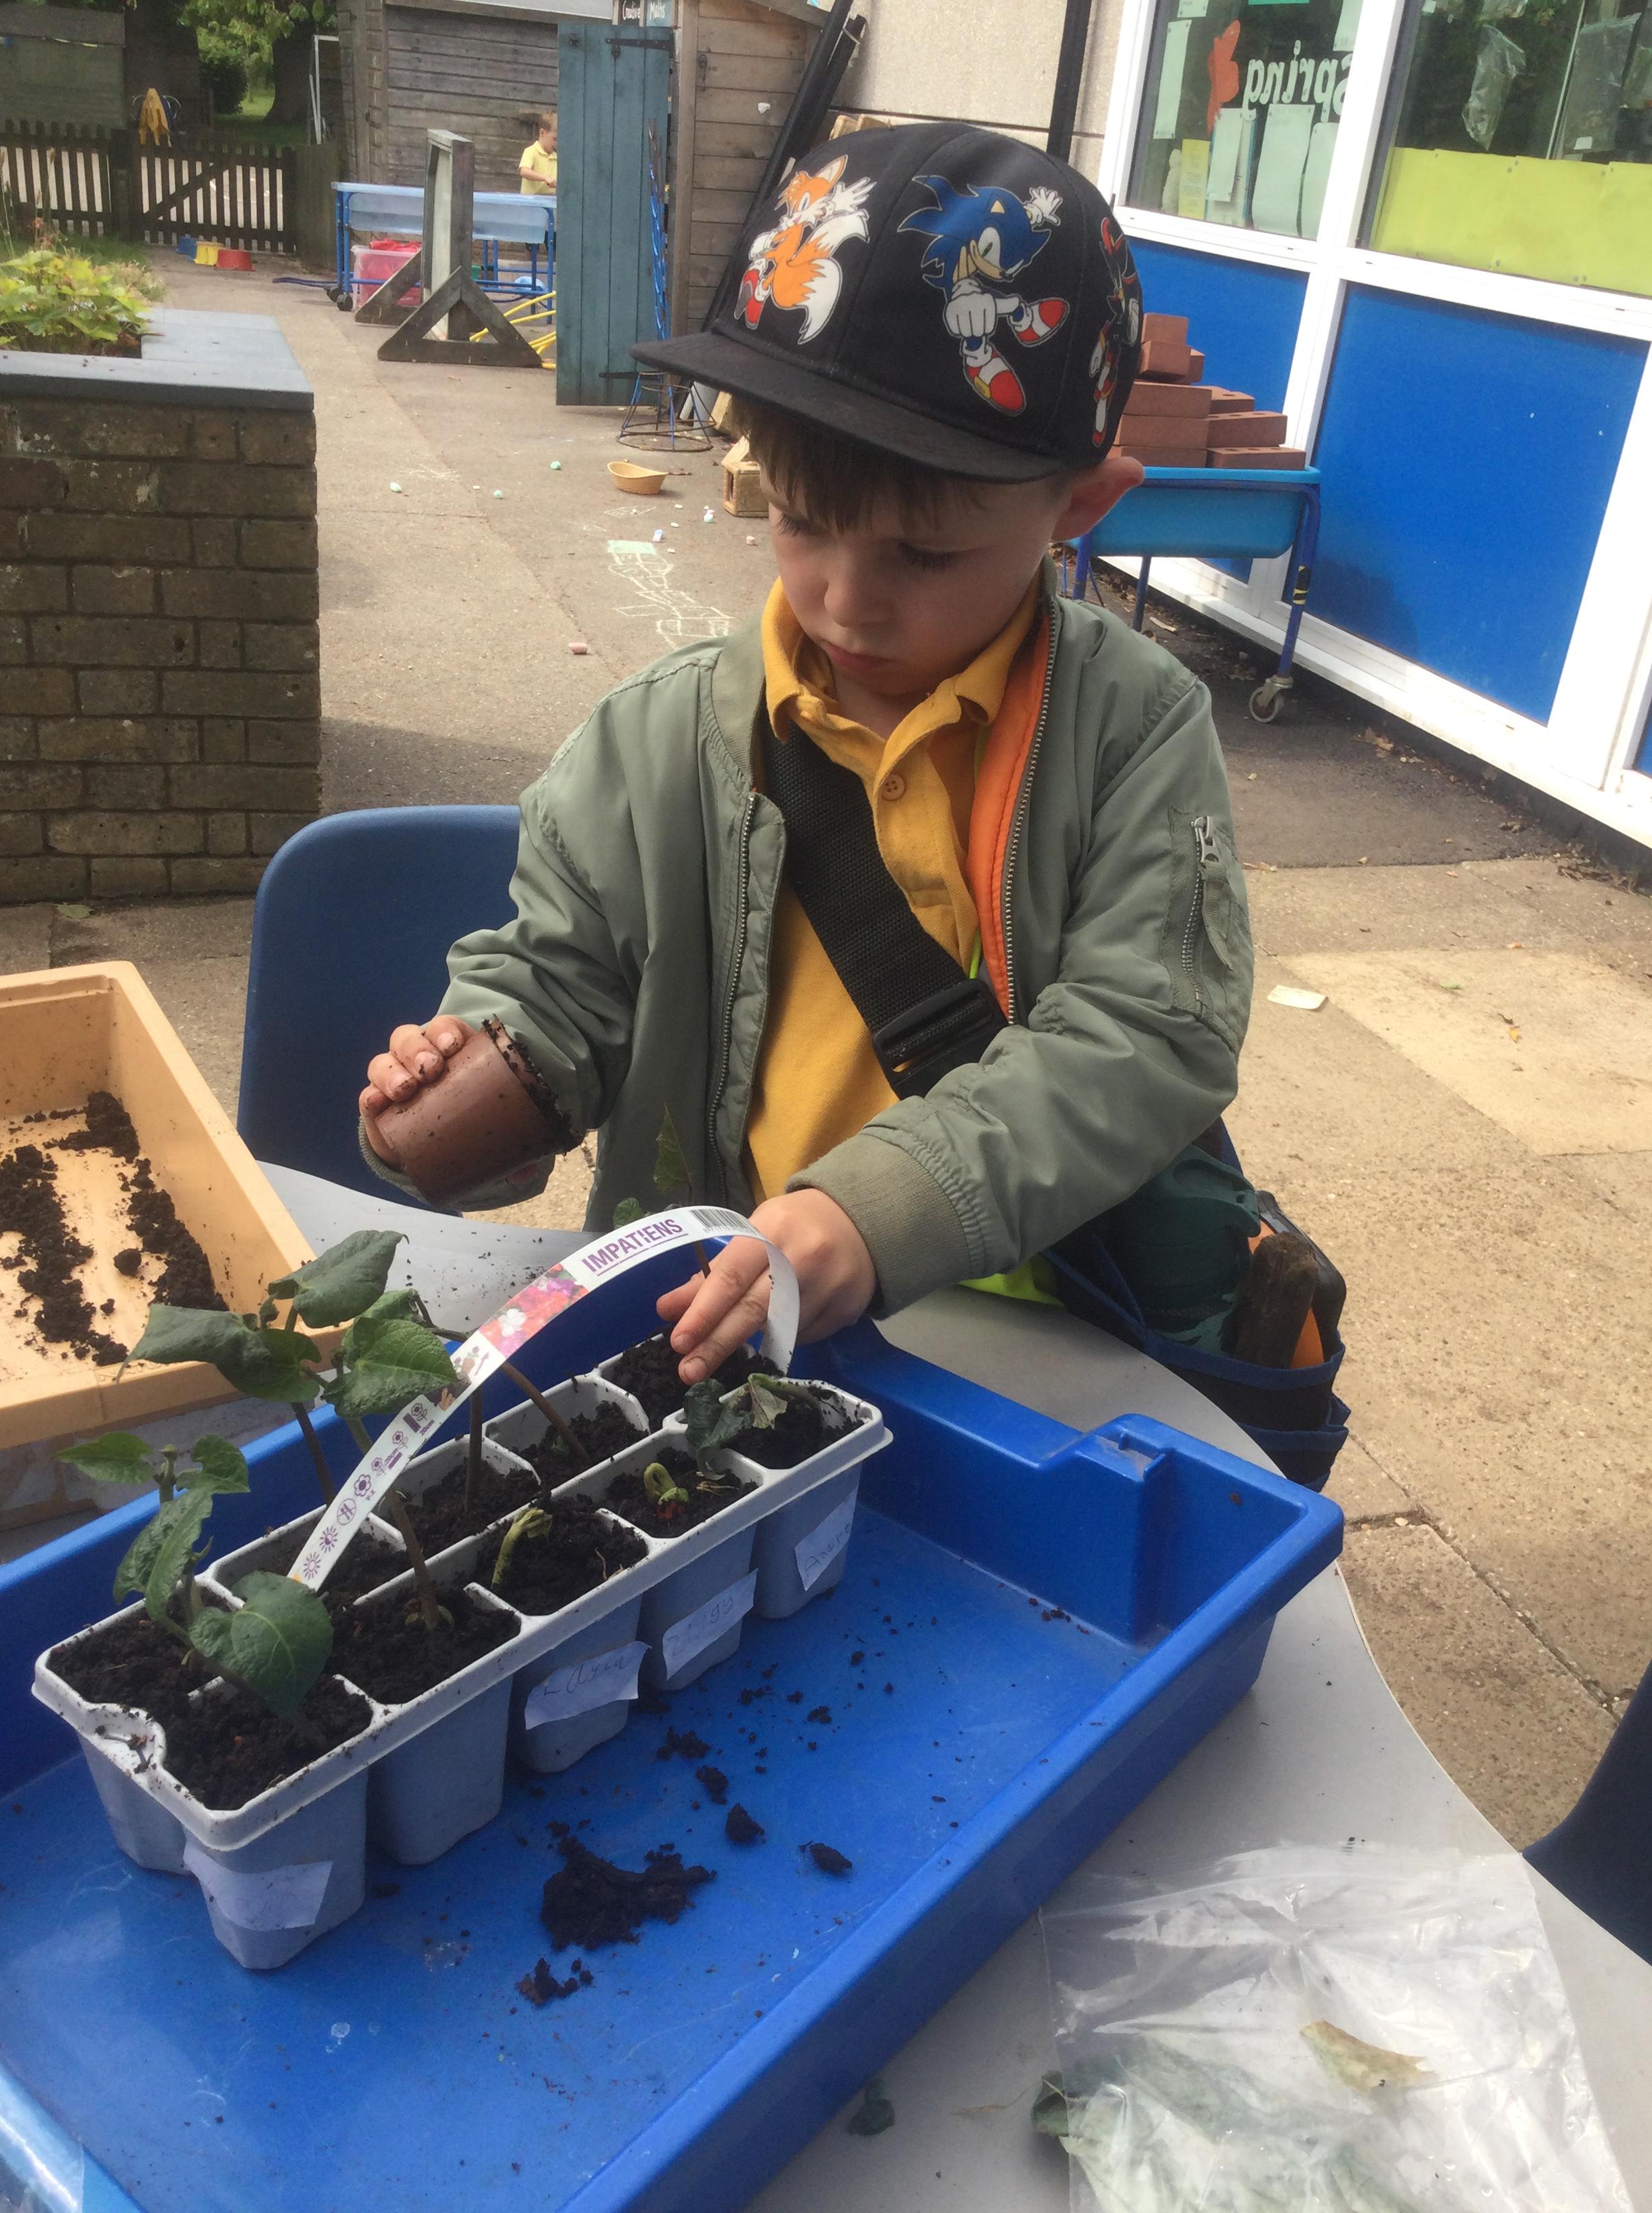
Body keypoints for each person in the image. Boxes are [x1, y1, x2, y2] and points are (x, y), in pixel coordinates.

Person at [358, 122, 1253, 1390]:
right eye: (800, 520)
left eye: (923, 554)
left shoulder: (1130, 730)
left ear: (1080, 505)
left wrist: (875, 1213)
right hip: (728, 1320)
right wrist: (477, 1070)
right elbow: (564, 975)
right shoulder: (652, 741)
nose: (845, 599)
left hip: (1045, 1335)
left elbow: (1149, 1031)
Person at [518, 110, 557, 195]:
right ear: (542, 133)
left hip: (550, 201)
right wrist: (545, 178)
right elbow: (524, 171)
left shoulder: (557, 157)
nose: (557, 144)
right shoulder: (531, 151)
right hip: (531, 202)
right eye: (554, 139)